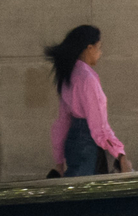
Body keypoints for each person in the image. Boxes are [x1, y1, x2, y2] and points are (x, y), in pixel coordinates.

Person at [46, 24, 128, 177]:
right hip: (87, 145)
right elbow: (99, 127)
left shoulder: (68, 76)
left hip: (72, 143)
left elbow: (62, 122)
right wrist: (120, 154)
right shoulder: (87, 79)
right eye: (99, 48)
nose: (100, 53)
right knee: (87, 194)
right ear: (89, 48)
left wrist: (58, 162)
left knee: (75, 193)